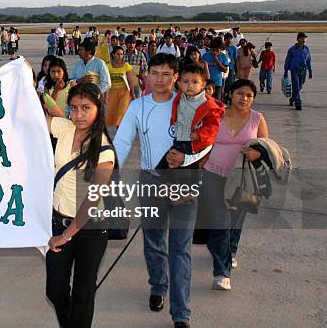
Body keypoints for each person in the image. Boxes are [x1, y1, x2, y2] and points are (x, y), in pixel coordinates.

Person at [114, 54, 200, 328]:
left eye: (166, 74)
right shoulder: (138, 106)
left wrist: (185, 162)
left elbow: (208, 141)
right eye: (155, 73)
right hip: (150, 182)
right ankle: (158, 286)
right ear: (147, 76)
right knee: (153, 241)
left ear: (176, 77)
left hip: (184, 184)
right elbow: (123, 142)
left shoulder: (190, 105)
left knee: (180, 248)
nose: (160, 79)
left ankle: (181, 314)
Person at [45, 83, 115, 328]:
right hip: (57, 219)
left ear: (98, 109)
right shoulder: (64, 127)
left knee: (83, 295)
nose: (78, 115)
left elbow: (92, 200)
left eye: (86, 108)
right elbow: (29, 118)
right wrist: (25, 85)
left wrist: (65, 235)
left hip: (90, 228)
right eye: (73, 108)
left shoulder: (104, 151)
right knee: (56, 291)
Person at [200, 79, 269, 291]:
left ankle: (230, 251)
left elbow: (267, 146)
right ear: (230, 94)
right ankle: (222, 273)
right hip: (213, 173)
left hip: (244, 178)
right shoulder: (216, 114)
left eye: (249, 95)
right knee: (220, 219)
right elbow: (203, 140)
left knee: (237, 219)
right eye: (240, 93)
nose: (244, 98)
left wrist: (258, 153)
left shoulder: (257, 118)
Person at [105, 46, 134, 128]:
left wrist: (132, 94)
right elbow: (106, 81)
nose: (120, 56)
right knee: (113, 113)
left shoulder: (126, 65)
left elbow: (130, 81)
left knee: (122, 112)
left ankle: (121, 130)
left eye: (121, 54)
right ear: (113, 54)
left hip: (124, 92)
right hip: (113, 92)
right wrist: (104, 95)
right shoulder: (108, 66)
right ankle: (118, 128)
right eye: (117, 54)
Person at [284, 32, 313, 111]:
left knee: (300, 86)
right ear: (298, 39)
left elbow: (309, 60)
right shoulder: (292, 49)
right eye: (302, 38)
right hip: (294, 70)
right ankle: (298, 103)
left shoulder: (306, 49)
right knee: (296, 86)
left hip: (303, 71)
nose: (303, 40)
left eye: (305, 38)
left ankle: (292, 98)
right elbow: (287, 61)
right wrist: (286, 71)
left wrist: (310, 71)